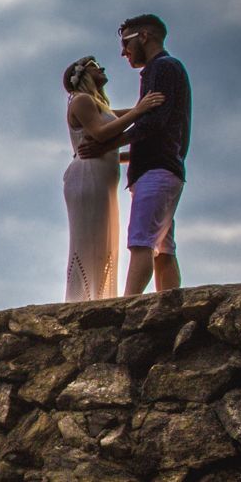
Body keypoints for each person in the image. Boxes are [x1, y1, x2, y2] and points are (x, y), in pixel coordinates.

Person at [61, 56, 163, 301]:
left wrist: (147, 111)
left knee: (105, 240)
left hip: (103, 179)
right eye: (96, 66)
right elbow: (101, 133)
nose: (103, 68)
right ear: (83, 74)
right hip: (88, 178)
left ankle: (99, 297)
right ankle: (81, 299)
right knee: (88, 240)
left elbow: (122, 126)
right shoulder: (81, 100)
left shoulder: (99, 105)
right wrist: (139, 109)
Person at [118, 14, 191, 293]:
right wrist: (119, 157)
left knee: (141, 243)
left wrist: (107, 144)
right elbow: (158, 127)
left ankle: (126, 308)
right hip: (167, 168)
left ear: (144, 36)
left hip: (156, 172)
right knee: (164, 247)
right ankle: (169, 305)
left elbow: (153, 122)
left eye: (126, 42)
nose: (123, 51)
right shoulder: (170, 68)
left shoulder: (161, 68)